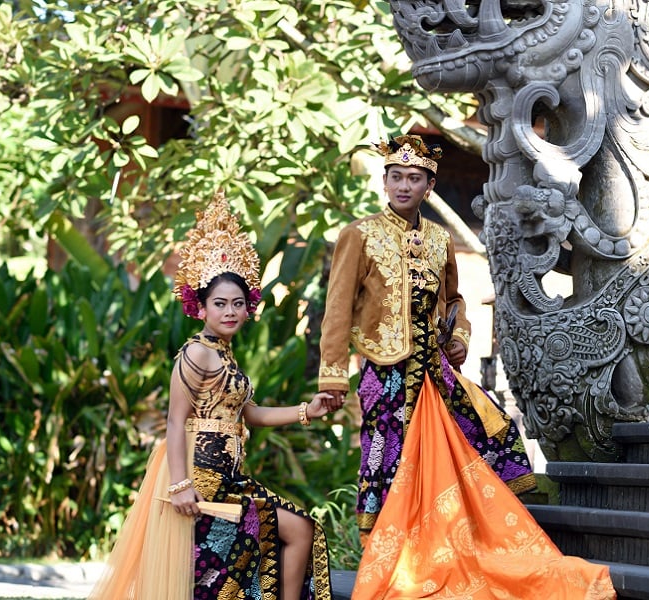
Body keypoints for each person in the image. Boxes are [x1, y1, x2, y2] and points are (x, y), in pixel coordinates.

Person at [318, 135, 616, 598]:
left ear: (428, 185)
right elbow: (337, 310)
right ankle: (393, 564)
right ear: (384, 181)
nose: (403, 185)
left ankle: (455, 547)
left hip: (435, 373)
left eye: (413, 178)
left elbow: (453, 301)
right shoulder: (359, 235)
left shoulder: (440, 240)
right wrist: (332, 379)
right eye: (396, 177)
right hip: (386, 373)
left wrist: (457, 338)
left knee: (484, 437)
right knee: (388, 467)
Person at [89, 193, 335, 600]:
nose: (230, 312)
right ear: (200, 308)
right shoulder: (196, 352)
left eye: (238, 304)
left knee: (290, 534)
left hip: (230, 476)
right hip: (202, 477)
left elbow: (248, 415)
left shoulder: (226, 355)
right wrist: (182, 485)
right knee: (223, 569)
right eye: (219, 304)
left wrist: (306, 411)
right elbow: (175, 420)